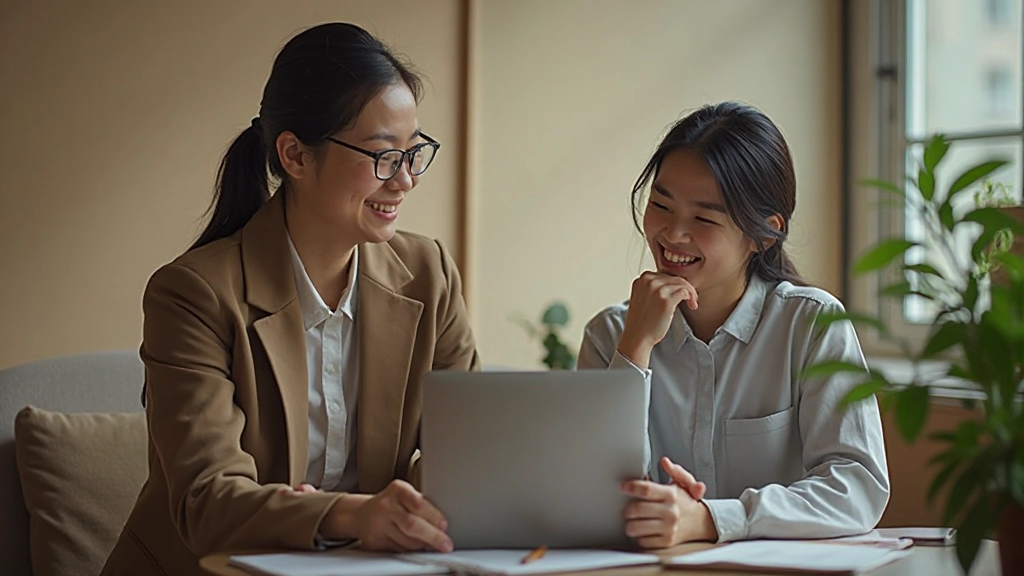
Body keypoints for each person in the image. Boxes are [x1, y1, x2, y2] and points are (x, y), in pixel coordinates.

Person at [101, 22, 478, 576]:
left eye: (413, 152)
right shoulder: (193, 294)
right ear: (296, 157)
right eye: (382, 156)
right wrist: (352, 515)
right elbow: (207, 501)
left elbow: (471, 446)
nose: (405, 181)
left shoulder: (429, 274)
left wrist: (403, 514)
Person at [578, 102, 889, 549]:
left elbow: (857, 489)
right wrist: (635, 351)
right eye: (661, 204)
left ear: (763, 234)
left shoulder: (812, 325)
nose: (672, 234)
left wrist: (712, 518)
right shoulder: (610, 334)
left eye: (703, 218)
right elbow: (590, 493)